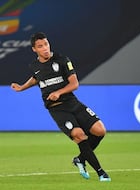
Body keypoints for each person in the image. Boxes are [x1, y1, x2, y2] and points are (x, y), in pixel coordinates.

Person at [10, 32, 111, 182]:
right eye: (40, 46)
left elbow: (74, 84)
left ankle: (80, 159)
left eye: (46, 44)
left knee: (100, 131)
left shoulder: (62, 60)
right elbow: (36, 78)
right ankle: (101, 172)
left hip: (72, 103)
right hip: (57, 109)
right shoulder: (34, 66)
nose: (45, 48)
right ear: (34, 49)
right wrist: (21, 88)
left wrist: (58, 92)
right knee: (79, 135)